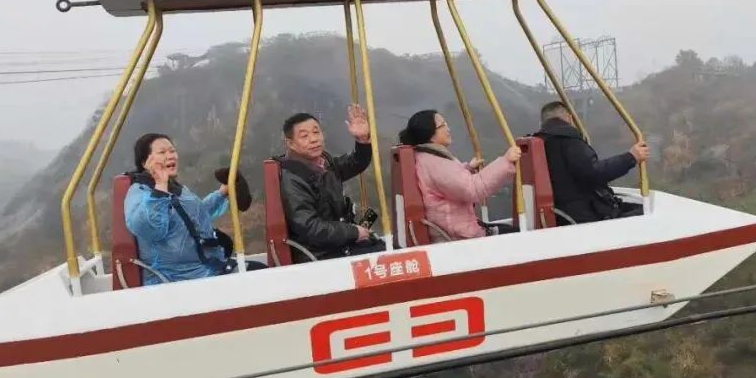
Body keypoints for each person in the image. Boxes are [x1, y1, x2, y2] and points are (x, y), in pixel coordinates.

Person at [124, 132, 263, 284]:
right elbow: (150, 228)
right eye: (162, 152)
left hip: (207, 269)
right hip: (176, 280)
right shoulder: (139, 192)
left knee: (261, 272)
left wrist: (222, 193)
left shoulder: (176, 188)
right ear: (145, 162)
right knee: (259, 280)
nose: (170, 156)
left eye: (172, 151)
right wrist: (160, 187)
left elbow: (195, 216)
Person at [277, 105, 386, 262]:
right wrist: (353, 232)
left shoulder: (324, 163)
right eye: (304, 136)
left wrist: (362, 140)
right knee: (388, 258)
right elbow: (309, 227)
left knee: (392, 251)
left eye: (316, 132)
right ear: (291, 144)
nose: (313, 139)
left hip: (340, 243)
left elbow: (354, 163)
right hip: (321, 255)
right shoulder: (292, 178)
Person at [398, 109, 521, 242]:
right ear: (429, 133)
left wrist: (468, 169)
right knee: (518, 235)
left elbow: (448, 182)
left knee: (511, 230)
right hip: (459, 236)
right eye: (443, 125)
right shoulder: (437, 163)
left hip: (454, 229)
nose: (448, 129)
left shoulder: (426, 157)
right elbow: (473, 189)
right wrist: (506, 161)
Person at [533, 101, 650, 224]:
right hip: (584, 216)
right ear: (570, 119)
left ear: (542, 123)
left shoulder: (541, 143)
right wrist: (631, 157)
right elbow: (594, 173)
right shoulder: (568, 140)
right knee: (648, 212)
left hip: (561, 213)